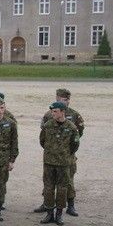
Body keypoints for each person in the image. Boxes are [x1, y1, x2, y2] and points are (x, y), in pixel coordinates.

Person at [37, 88, 85, 217]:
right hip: (51, 156)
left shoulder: (75, 115)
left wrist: (65, 149)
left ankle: (71, 205)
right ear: (57, 98)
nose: (67, 102)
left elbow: (78, 135)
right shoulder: (48, 115)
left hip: (67, 156)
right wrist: (53, 149)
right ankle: (46, 205)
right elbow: (43, 138)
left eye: (68, 99)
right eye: (64, 99)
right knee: (49, 183)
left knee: (67, 181)